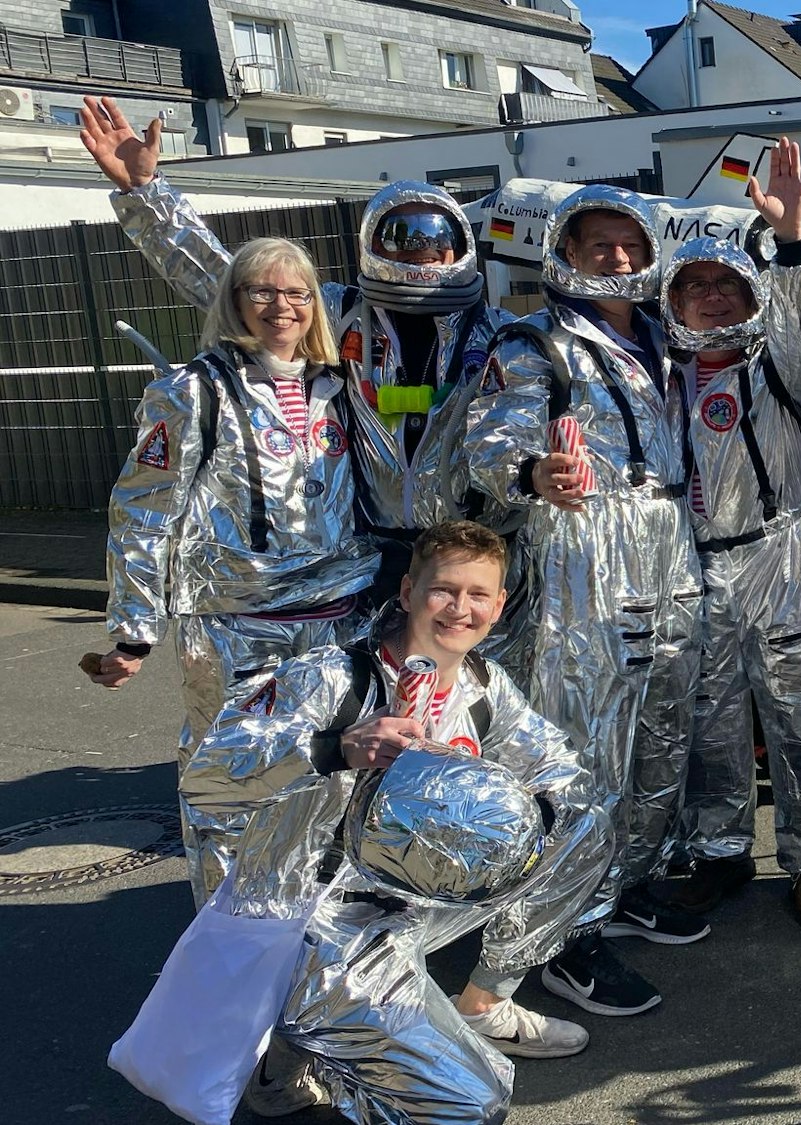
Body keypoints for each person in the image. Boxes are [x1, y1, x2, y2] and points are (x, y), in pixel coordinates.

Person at [184, 520, 611, 1121]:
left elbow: (559, 772)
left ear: (499, 605)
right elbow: (207, 778)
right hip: (322, 919)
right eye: (443, 590)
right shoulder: (333, 677)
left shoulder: (484, 686)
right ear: (408, 591)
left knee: (582, 828)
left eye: (478, 595)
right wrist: (332, 748)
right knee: (470, 1104)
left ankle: (482, 1003)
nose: (460, 609)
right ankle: (292, 1032)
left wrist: (516, 814)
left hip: (416, 897)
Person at [79, 97, 515, 602]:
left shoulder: (501, 335)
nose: (419, 248)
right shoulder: (341, 313)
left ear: (459, 244)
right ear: (373, 242)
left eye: (433, 234)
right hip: (370, 551)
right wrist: (145, 194)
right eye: (400, 235)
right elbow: (226, 282)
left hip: (473, 554)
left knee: (468, 680)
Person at [467, 183, 707, 1018]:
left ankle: (630, 878)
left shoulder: (667, 337)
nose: (617, 257)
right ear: (563, 255)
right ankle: (569, 930)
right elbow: (493, 440)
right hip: (586, 544)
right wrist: (534, 471)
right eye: (598, 244)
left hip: (669, 537)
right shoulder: (538, 344)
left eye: (629, 244)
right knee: (591, 739)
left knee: (663, 731)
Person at [88, 236, 377, 900]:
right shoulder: (195, 389)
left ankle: (311, 925)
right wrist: (135, 629)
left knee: (328, 774)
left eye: (298, 292)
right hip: (237, 623)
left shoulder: (340, 385)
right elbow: (144, 507)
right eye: (263, 291)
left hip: (334, 621)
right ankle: (228, 937)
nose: (283, 306)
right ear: (234, 299)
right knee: (232, 781)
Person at [654, 139, 801, 928]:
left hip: (783, 547)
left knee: (799, 713)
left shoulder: (782, 364)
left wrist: (796, 239)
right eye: (694, 286)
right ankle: (723, 848)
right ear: (672, 299)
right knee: (714, 713)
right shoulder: (656, 371)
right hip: (697, 562)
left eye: (727, 284)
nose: (712, 298)